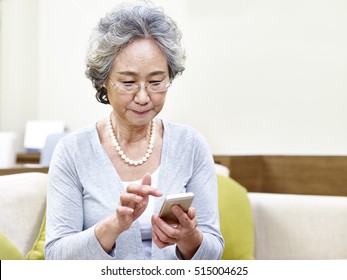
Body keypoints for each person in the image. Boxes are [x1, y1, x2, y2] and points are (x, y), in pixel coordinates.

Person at [44, 1, 224, 260]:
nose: (143, 97)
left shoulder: (191, 144)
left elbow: (213, 253)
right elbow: (56, 257)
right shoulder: (72, 151)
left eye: (156, 82)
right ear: (104, 81)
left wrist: (189, 237)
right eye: (128, 82)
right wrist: (114, 225)